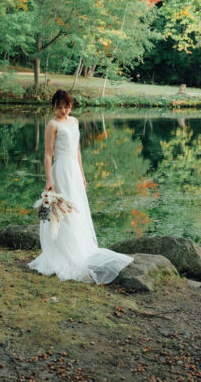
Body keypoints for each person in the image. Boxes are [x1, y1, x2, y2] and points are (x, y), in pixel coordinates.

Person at [28, 90, 133, 284]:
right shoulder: (52, 125)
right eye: (59, 107)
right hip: (61, 172)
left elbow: (77, 150)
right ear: (54, 107)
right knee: (62, 211)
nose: (63, 110)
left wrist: (82, 175)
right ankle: (63, 252)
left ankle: (78, 247)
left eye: (66, 106)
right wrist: (49, 180)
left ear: (71, 106)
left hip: (74, 172)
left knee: (77, 210)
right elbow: (48, 154)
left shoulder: (75, 122)